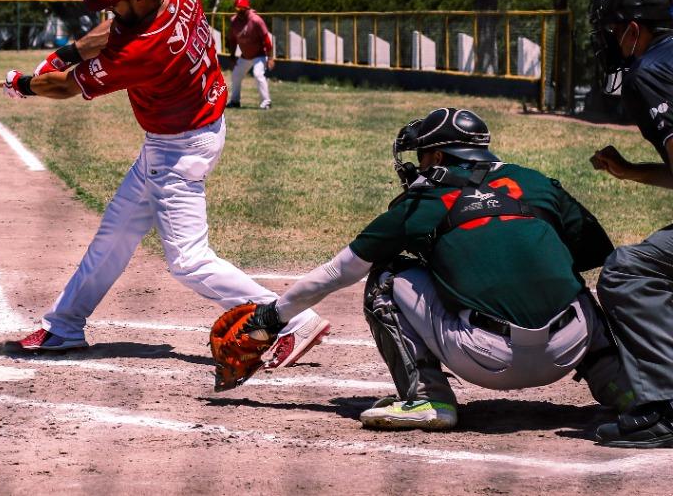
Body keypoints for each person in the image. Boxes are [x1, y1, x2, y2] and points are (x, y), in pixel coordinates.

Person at [1, 0, 330, 367]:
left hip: (178, 148)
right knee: (115, 236)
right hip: (189, 131)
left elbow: (68, 86)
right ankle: (64, 326)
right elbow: (110, 31)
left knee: (188, 261)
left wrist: (25, 85)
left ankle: (291, 317)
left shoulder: (143, 52)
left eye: (114, 0)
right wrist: (63, 54)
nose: (110, 9)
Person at [224, 107, 629, 432]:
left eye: (422, 154)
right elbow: (596, 252)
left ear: (437, 156)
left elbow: (339, 272)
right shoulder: (535, 182)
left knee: (385, 275)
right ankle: (623, 387)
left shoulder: (424, 200)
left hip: (486, 360)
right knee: (570, 278)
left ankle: (427, 398)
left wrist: (273, 316)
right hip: (569, 346)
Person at [587, 0, 673, 449]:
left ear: (635, 31)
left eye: (614, 31)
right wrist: (631, 171)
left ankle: (665, 411)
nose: (612, 41)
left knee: (628, 272)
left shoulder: (652, 70)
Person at [226, 0, 274, 110]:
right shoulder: (234, 21)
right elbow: (232, 40)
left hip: (259, 54)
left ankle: (266, 102)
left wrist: (270, 58)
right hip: (245, 56)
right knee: (236, 75)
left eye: (242, 10)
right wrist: (232, 56)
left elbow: (267, 40)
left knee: (258, 74)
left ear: (247, 9)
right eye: (237, 10)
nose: (239, 12)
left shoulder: (256, 20)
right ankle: (235, 101)